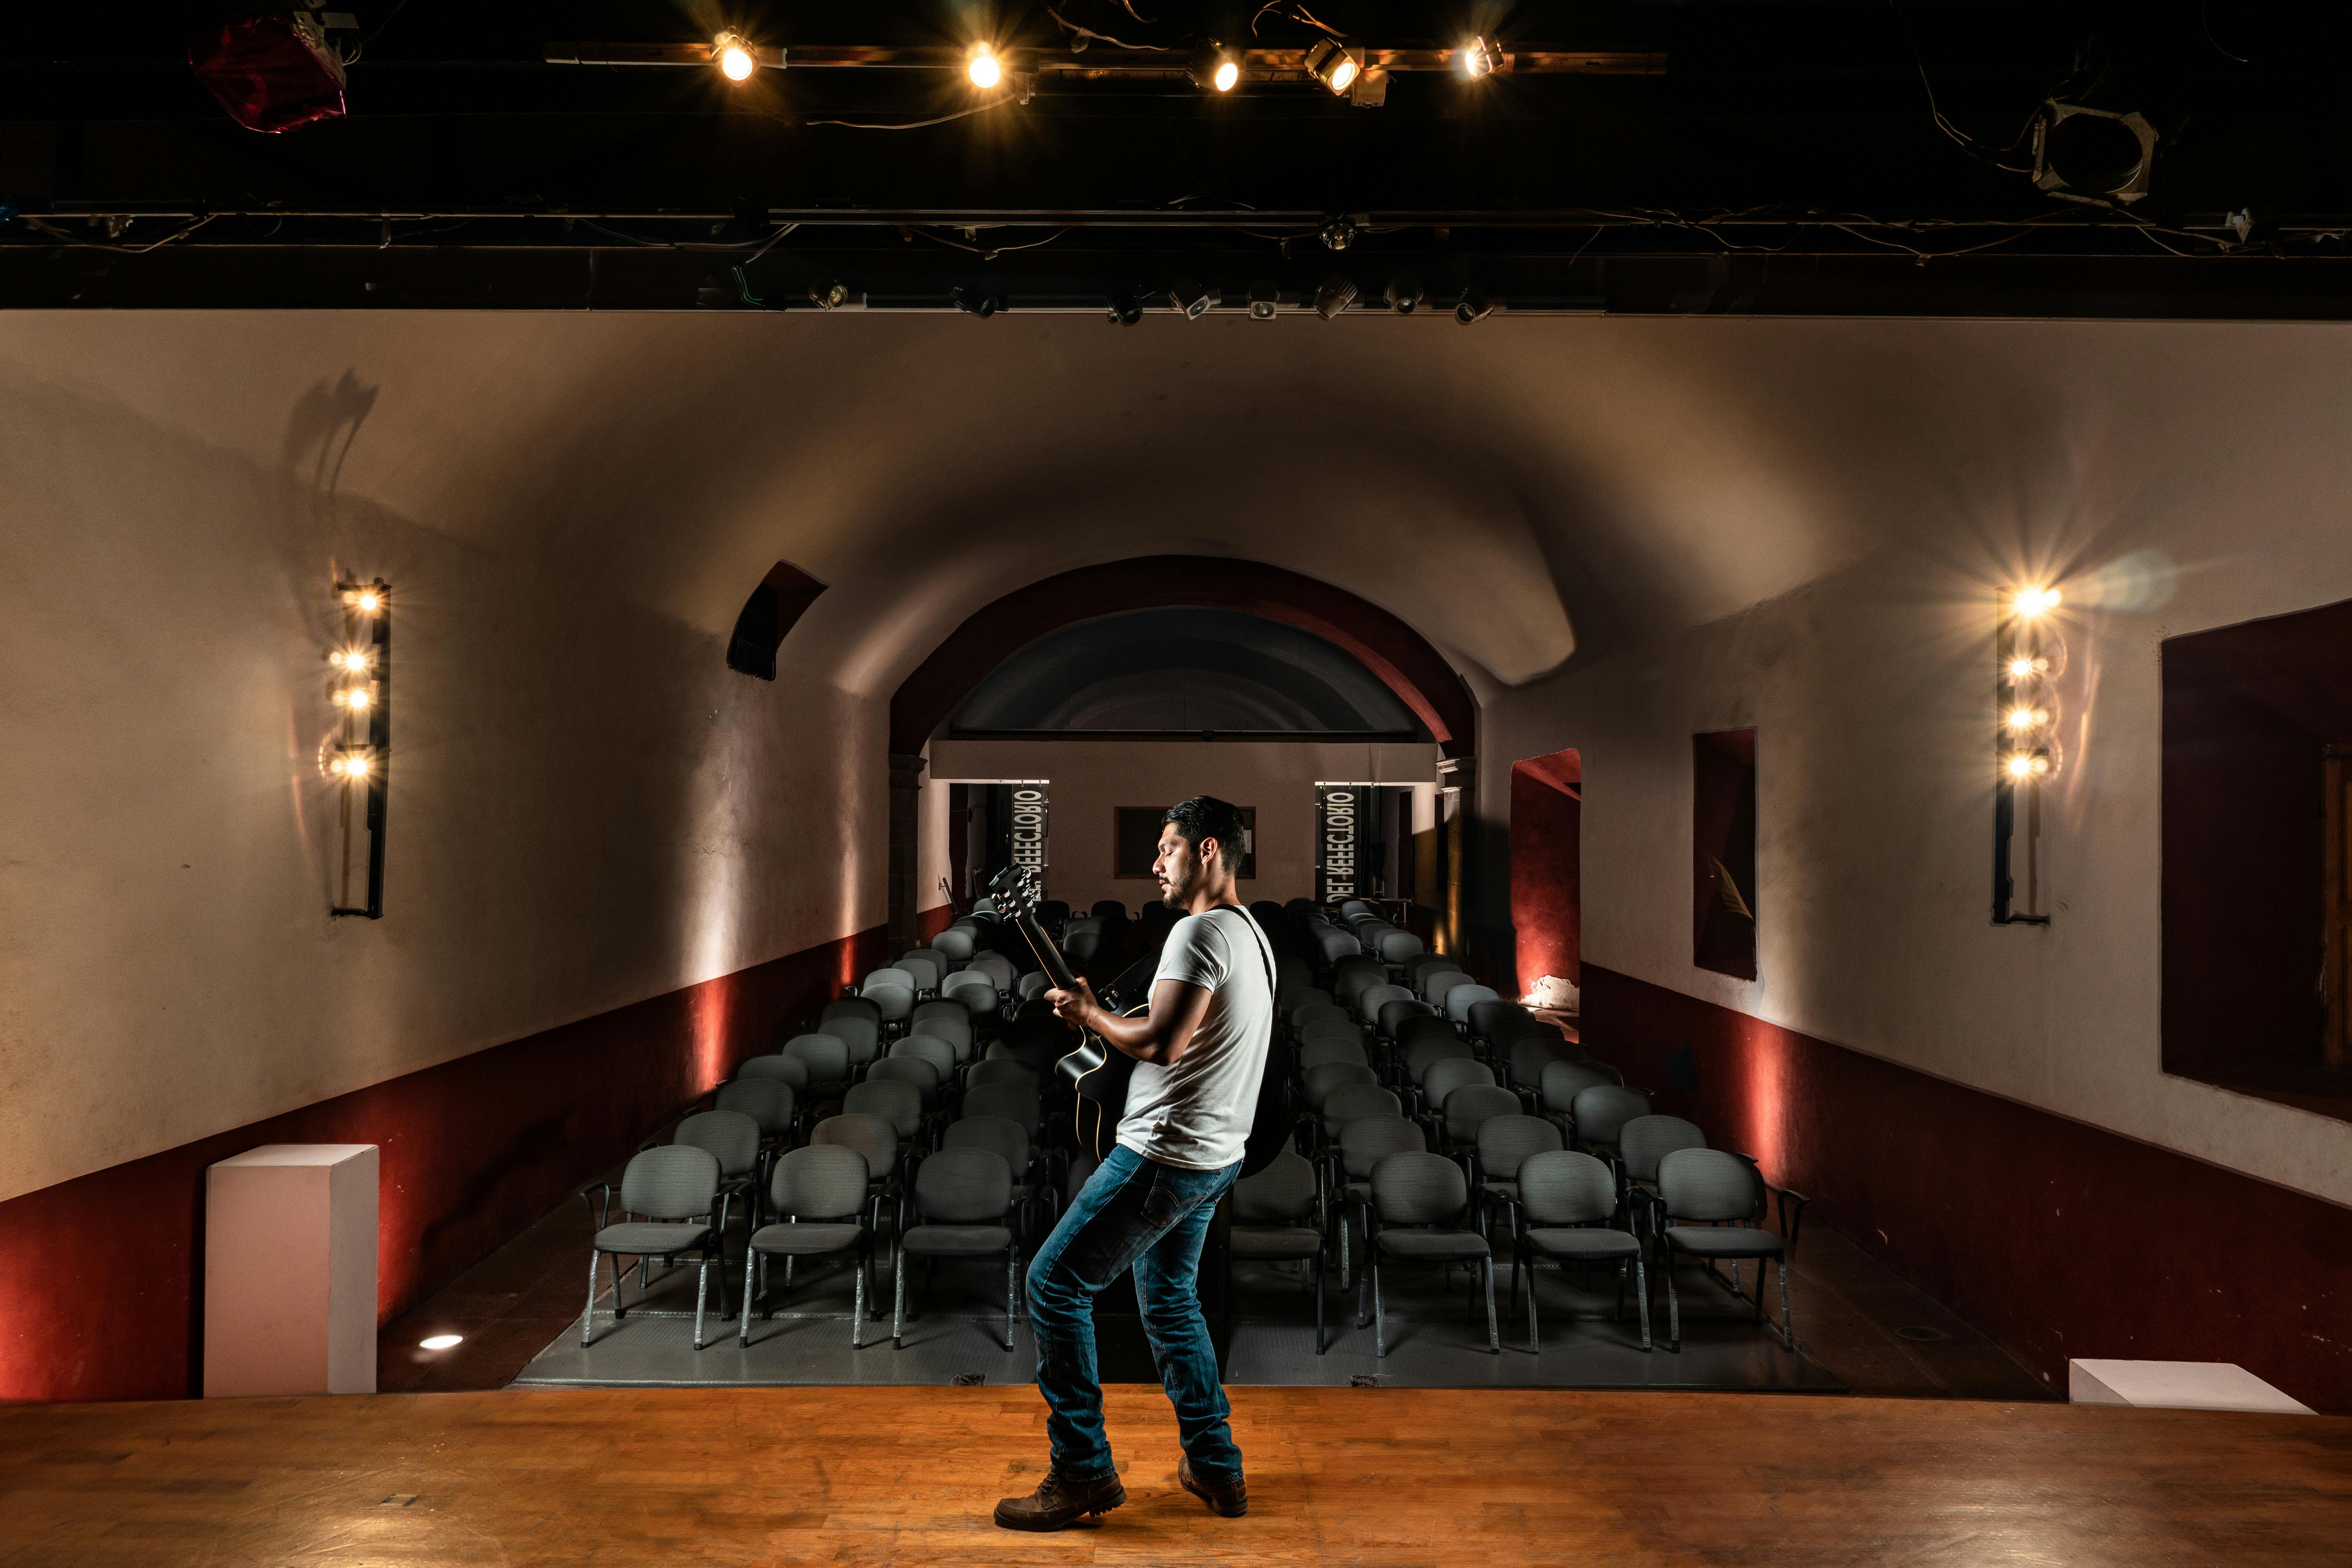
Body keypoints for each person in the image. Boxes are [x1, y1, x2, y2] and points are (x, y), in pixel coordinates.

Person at [993, 796, 1274, 1531]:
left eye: (1167, 848)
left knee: (1053, 1285)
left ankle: (1082, 1471)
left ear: (1207, 850)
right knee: (1172, 1301)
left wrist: (1089, 1018)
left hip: (1163, 1153)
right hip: (1214, 1157)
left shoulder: (1197, 933)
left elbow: (1161, 1044)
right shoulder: (1253, 935)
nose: (1155, 864)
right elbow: (1170, 1036)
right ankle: (1216, 1469)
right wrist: (1099, 1018)